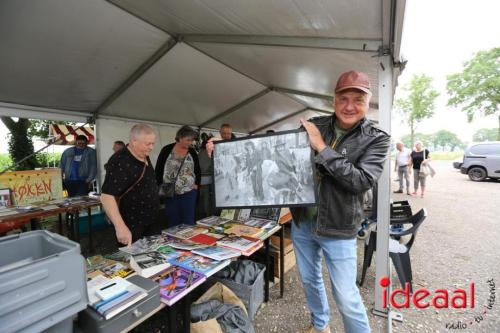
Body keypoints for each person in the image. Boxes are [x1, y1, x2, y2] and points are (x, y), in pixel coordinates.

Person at [295, 71, 390, 333]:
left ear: (368, 102)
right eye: (343, 98)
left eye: (357, 99)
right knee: (309, 280)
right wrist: (227, 147)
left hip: (339, 228)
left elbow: (361, 181)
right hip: (303, 222)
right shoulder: (315, 124)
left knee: (347, 298)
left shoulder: (377, 139)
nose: (349, 106)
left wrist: (322, 148)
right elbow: (280, 153)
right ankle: (320, 324)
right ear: (334, 100)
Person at [101, 124, 159, 246]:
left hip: (150, 221)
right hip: (131, 225)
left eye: (153, 143)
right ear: (134, 141)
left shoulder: (143, 154)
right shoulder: (120, 160)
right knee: (133, 262)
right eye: (148, 144)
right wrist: (120, 227)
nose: (151, 148)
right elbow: (107, 196)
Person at [156, 125, 200, 227]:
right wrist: (160, 185)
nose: (190, 143)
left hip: (188, 191)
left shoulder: (192, 152)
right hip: (169, 191)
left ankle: (188, 242)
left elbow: (197, 170)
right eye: (188, 140)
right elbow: (158, 169)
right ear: (179, 138)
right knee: (173, 220)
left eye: (192, 140)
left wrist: (197, 184)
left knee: (188, 220)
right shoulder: (166, 150)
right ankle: (174, 241)